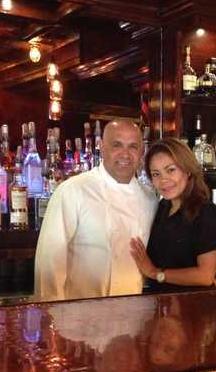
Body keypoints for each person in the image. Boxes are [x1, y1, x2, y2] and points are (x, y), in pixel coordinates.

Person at [34, 119, 157, 301]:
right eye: (117, 145)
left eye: (133, 147)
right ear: (101, 146)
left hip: (132, 316)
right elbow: (49, 263)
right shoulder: (73, 190)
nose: (125, 154)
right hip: (78, 319)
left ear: (141, 152)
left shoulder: (150, 198)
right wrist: (50, 318)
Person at [129, 137, 216, 291]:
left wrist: (154, 273)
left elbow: (205, 276)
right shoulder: (162, 207)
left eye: (170, 170)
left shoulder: (206, 212)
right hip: (163, 305)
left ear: (187, 170)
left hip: (191, 307)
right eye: (156, 174)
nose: (163, 180)